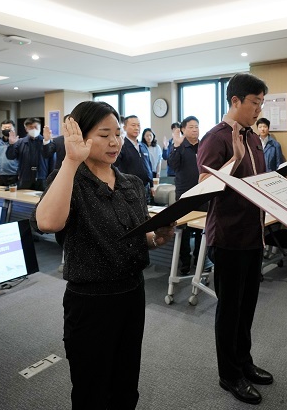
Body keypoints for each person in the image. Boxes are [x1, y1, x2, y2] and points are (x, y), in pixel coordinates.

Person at [33, 101, 173, 409]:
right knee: (91, 388)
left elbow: (137, 237)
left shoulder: (131, 184)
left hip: (133, 295)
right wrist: (71, 161)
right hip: (91, 302)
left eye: (119, 133)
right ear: (82, 138)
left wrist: (155, 238)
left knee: (126, 382)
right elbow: (47, 222)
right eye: (104, 134)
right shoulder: (69, 178)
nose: (115, 142)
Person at [197, 72, 272, 405]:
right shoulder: (217, 138)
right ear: (235, 101)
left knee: (247, 307)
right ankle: (229, 374)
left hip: (254, 234)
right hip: (227, 237)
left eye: (261, 103)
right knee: (230, 309)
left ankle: (244, 362)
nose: (258, 110)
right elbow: (204, 188)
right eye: (254, 102)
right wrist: (236, 159)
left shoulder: (254, 137)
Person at [168, 116, 203, 275]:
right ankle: (185, 263)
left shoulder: (204, 145)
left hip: (203, 192)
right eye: (191, 127)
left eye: (196, 126)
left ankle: (200, 260)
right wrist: (175, 145)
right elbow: (172, 165)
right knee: (184, 229)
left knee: (201, 229)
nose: (195, 129)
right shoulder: (179, 146)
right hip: (185, 194)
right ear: (183, 129)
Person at [6, 117, 55, 190]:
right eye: (31, 127)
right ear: (26, 129)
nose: (34, 129)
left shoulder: (46, 142)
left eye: (36, 127)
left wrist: (47, 142)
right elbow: (10, 156)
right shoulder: (20, 142)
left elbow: (52, 160)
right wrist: (11, 145)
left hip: (42, 179)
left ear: (40, 128)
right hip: (25, 178)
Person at [114, 115, 153, 200]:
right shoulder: (122, 145)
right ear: (124, 127)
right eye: (133, 125)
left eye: (138, 125)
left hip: (145, 187)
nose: (136, 128)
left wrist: (152, 185)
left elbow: (149, 166)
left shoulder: (143, 146)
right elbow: (115, 164)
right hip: (129, 188)